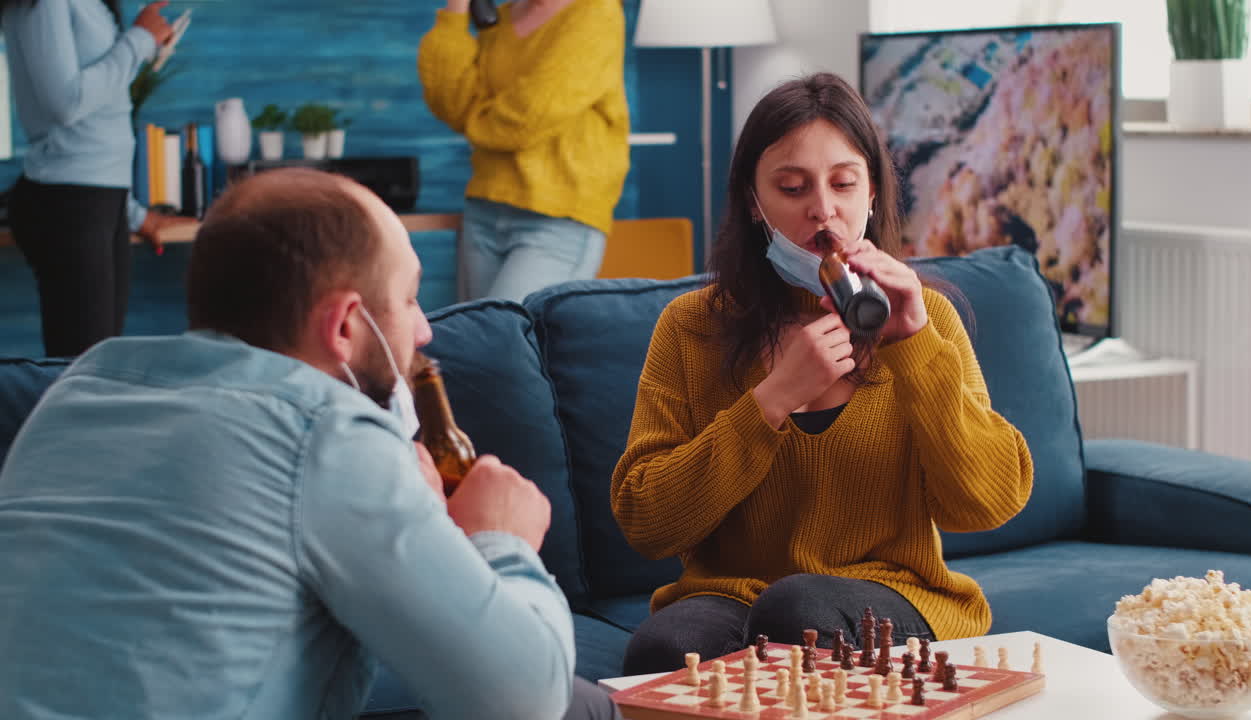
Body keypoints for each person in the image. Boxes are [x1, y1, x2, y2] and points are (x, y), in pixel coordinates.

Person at [0, 168, 619, 720]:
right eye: (408, 298)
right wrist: (504, 540)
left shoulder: (77, 391)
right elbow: (523, 701)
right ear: (345, 325)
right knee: (582, 708)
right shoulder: (326, 433)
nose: (424, 329)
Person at [610, 73, 1036, 676]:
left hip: (889, 592)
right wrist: (771, 401)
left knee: (797, 610)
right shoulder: (690, 327)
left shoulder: (928, 317)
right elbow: (646, 523)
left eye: (843, 183)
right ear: (754, 202)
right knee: (665, 650)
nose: (822, 209)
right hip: (732, 595)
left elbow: (989, 502)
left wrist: (914, 347)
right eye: (792, 187)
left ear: (871, 194)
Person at [2, 0, 197, 358]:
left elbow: (97, 130)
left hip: (98, 201)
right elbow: (65, 103)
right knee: (82, 370)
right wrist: (140, 39)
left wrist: (133, 213)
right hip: (69, 202)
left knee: (95, 365)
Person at [417, 0, 629, 302]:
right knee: (475, 331)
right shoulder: (499, 18)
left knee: (503, 330)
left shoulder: (596, 13)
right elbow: (449, 102)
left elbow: (530, 116)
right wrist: (456, 10)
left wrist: (472, 121)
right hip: (485, 210)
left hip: (558, 217)